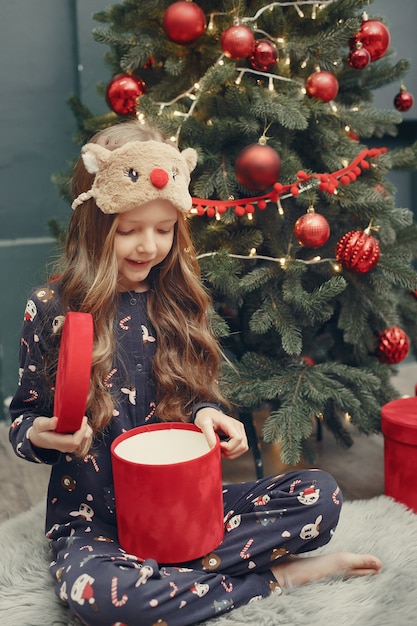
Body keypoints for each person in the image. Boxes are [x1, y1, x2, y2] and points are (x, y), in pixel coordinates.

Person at [9, 120, 382, 626]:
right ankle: (270, 579)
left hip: (184, 509)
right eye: (128, 230)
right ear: (94, 226)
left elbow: (193, 396)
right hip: (94, 518)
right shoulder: (52, 307)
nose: (148, 246)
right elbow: (22, 421)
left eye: (164, 230)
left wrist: (210, 415)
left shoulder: (176, 299)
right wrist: (43, 433)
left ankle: (171, 571)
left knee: (320, 497)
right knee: (104, 597)